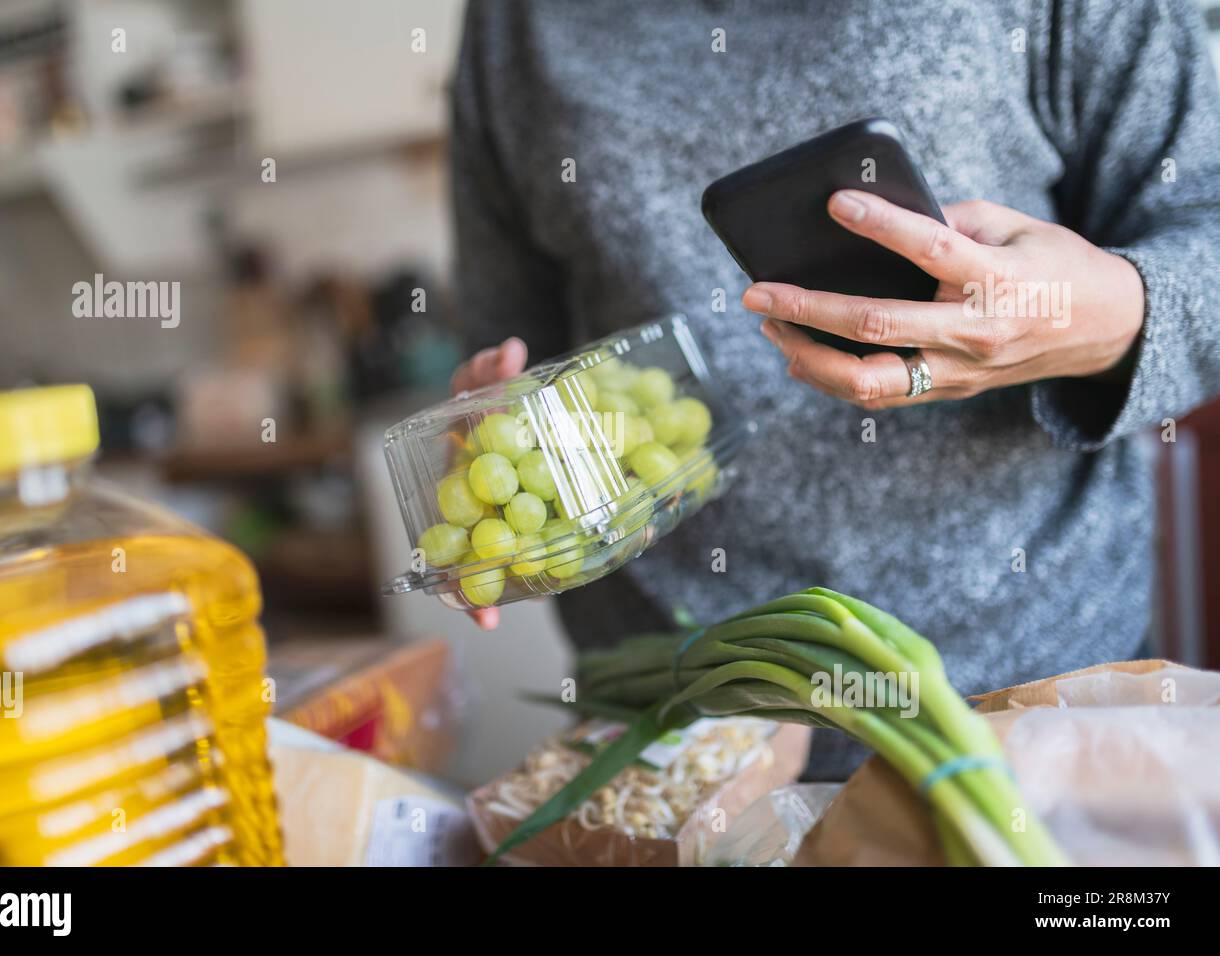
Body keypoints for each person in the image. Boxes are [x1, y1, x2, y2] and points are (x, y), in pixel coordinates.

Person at [447, 0, 1220, 779]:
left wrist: (1082, 315)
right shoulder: (514, 22)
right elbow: (508, 332)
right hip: (688, 715)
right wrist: (494, 419)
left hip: (1032, 692)